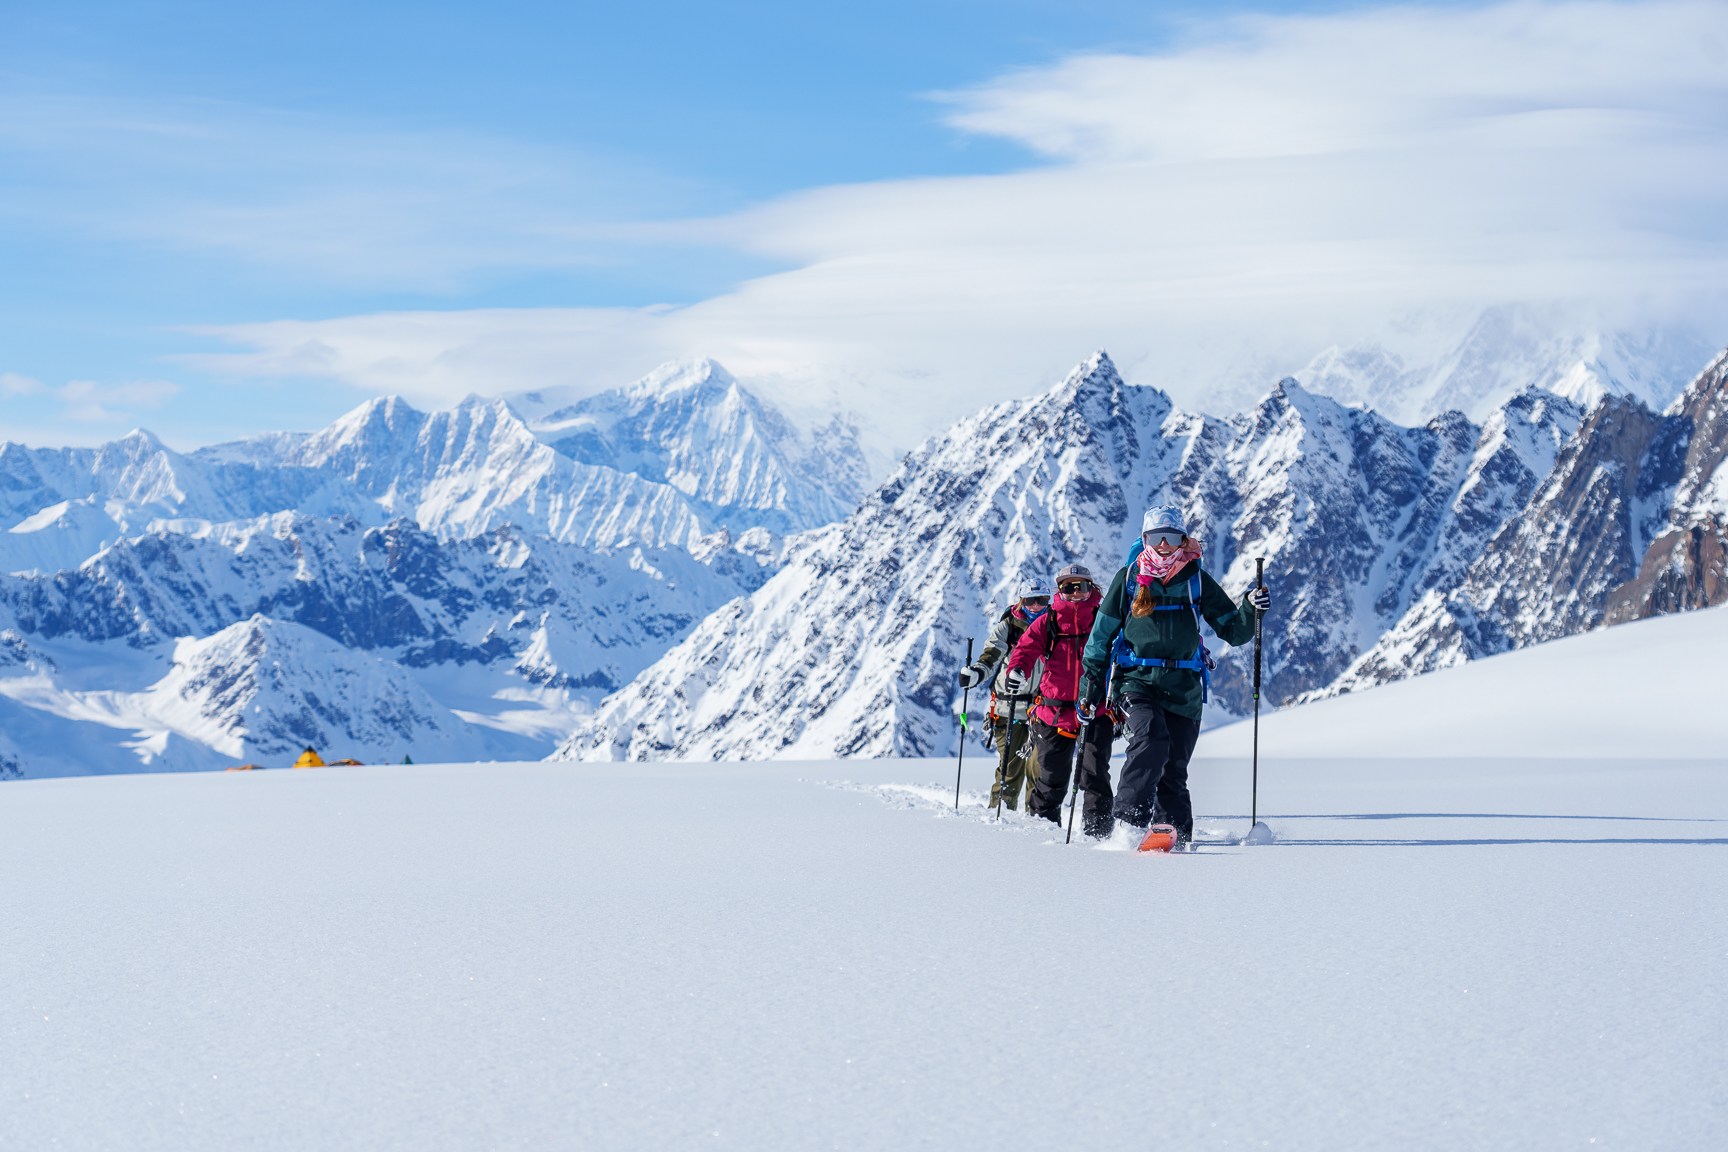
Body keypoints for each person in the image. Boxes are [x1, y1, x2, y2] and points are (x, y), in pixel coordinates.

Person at [1080, 505, 1271, 847]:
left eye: (1171, 537)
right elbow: (1099, 639)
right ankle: (1128, 823)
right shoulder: (1127, 579)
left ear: (1183, 540)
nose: (1164, 545)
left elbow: (1233, 630)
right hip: (1136, 680)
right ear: (1145, 539)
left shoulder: (1196, 579)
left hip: (1184, 687)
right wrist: (1090, 690)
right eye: (1157, 537)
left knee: (1174, 770)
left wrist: (1250, 609)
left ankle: (1175, 838)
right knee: (1151, 738)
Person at [1008, 563, 1116, 837]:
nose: (1076, 593)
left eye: (1081, 586)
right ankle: (1043, 836)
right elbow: (1026, 648)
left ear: (1092, 588)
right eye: (1069, 587)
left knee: (1094, 775)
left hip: (1095, 709)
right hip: (1053, 712)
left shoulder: (1104, 617)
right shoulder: (1050, 620)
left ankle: (1098, 836)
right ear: (1060, 590)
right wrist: (1017, 670)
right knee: (1051, 779)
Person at [958, 577, 1047, 810]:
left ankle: (1036, 822)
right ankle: (1000, 821)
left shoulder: (1054, 627)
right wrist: (976, 673)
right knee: (1010, 769)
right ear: (1021, 601)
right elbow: (991, 654)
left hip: (1043, 710)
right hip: (1009, 709)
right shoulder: (1008, 627)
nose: (1036, 606)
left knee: (1039, 770)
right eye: (1031, 600)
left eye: (1042, 600)